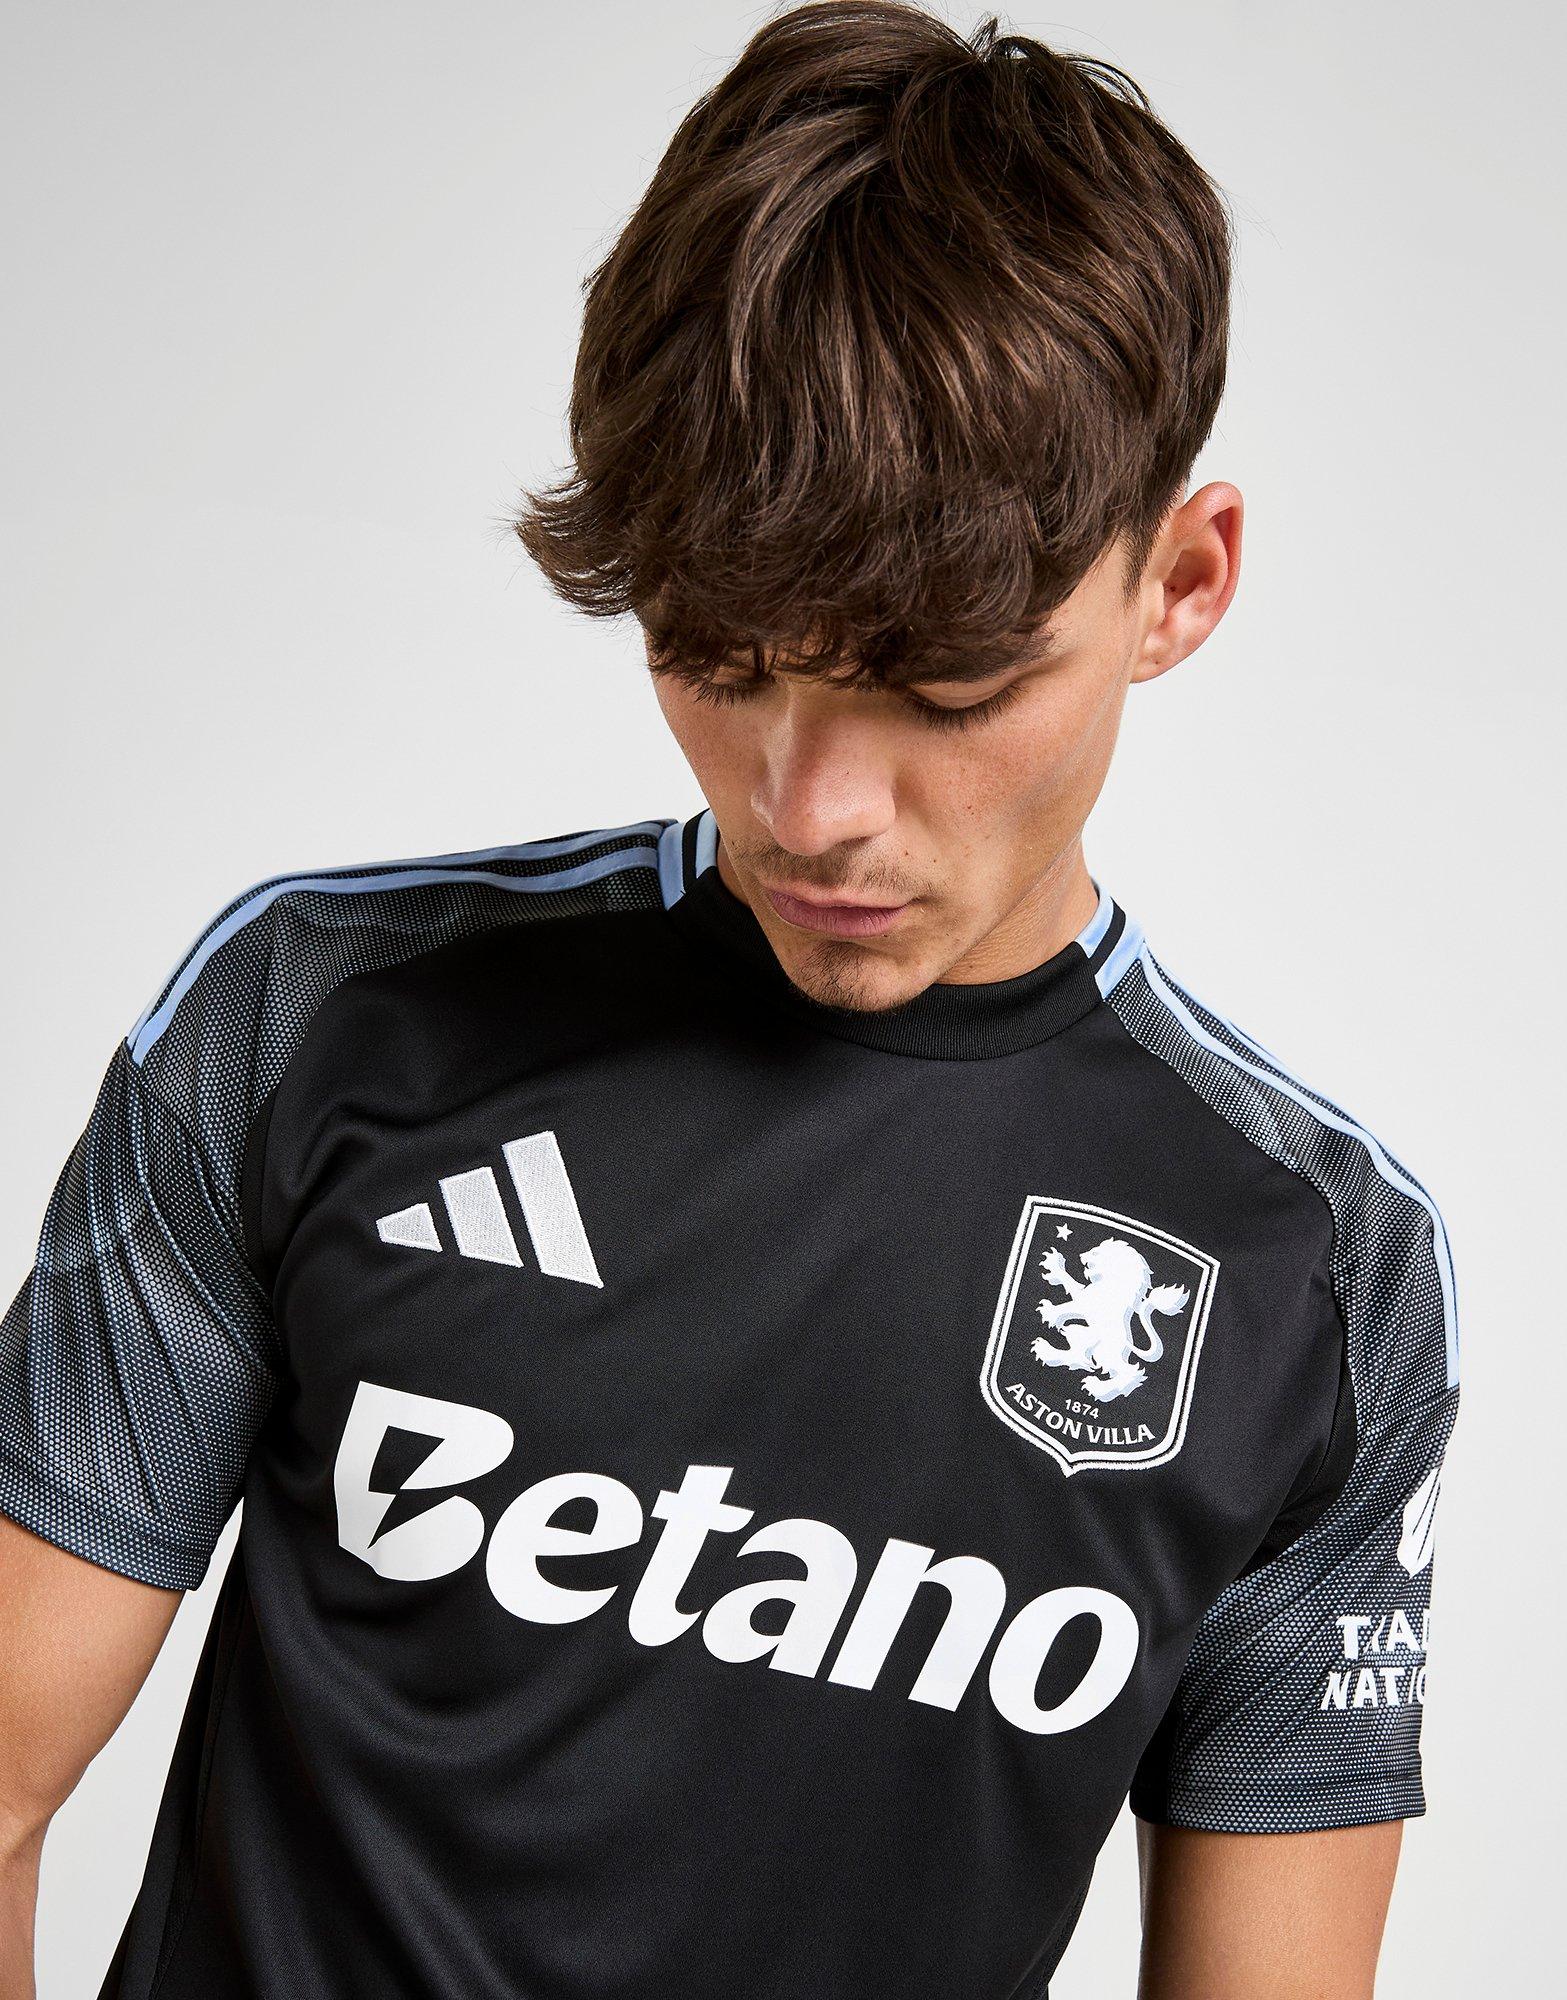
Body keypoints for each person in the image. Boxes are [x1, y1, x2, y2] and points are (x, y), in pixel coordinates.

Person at [0, 4, 1460, 1996]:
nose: (811, 804)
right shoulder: (321, 1020)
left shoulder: (1317, 1267)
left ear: (1179, 586)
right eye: (720, 657)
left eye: (940, 690)